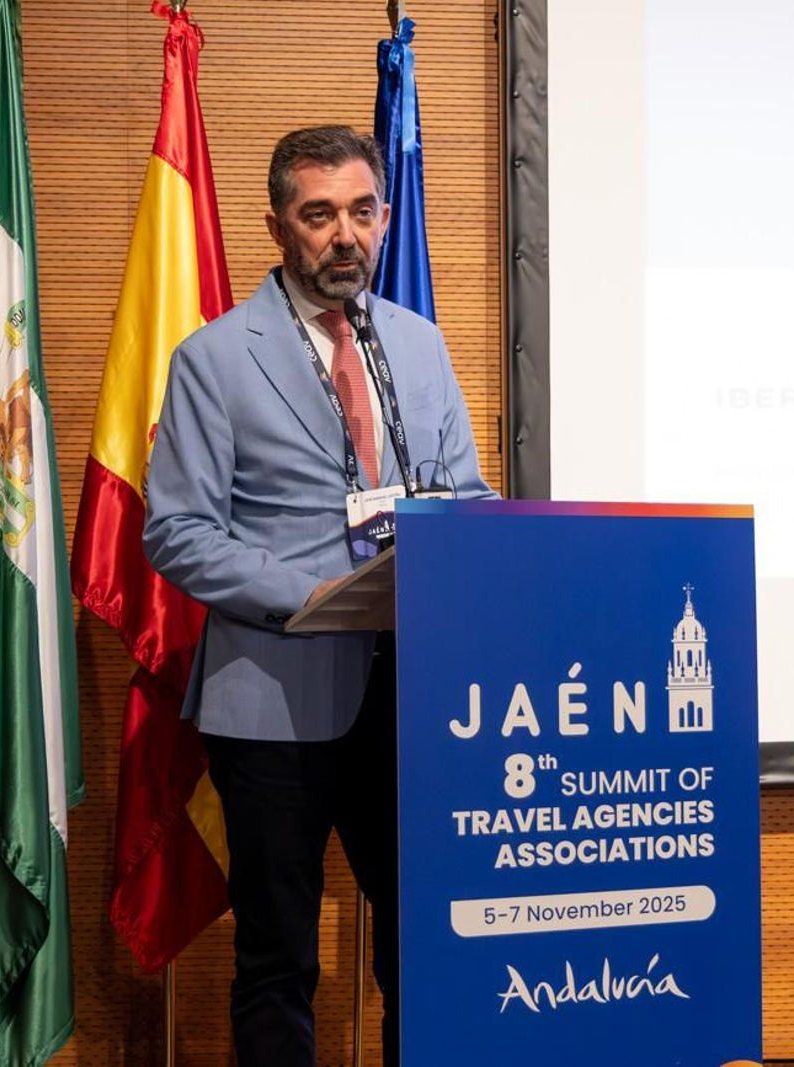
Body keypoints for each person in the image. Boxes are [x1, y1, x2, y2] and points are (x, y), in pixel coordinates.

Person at [143, 125, 496, 1067]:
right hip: (273, 694)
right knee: (279, 957)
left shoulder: (418, 344)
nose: (346, 234)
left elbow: (466, 495)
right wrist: (314, 594)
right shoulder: (214, 357)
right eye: (320, 214)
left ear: (384, 216)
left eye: (362, 211)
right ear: (278, 225)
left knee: (426, 940)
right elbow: (176, 532)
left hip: (413, 697)